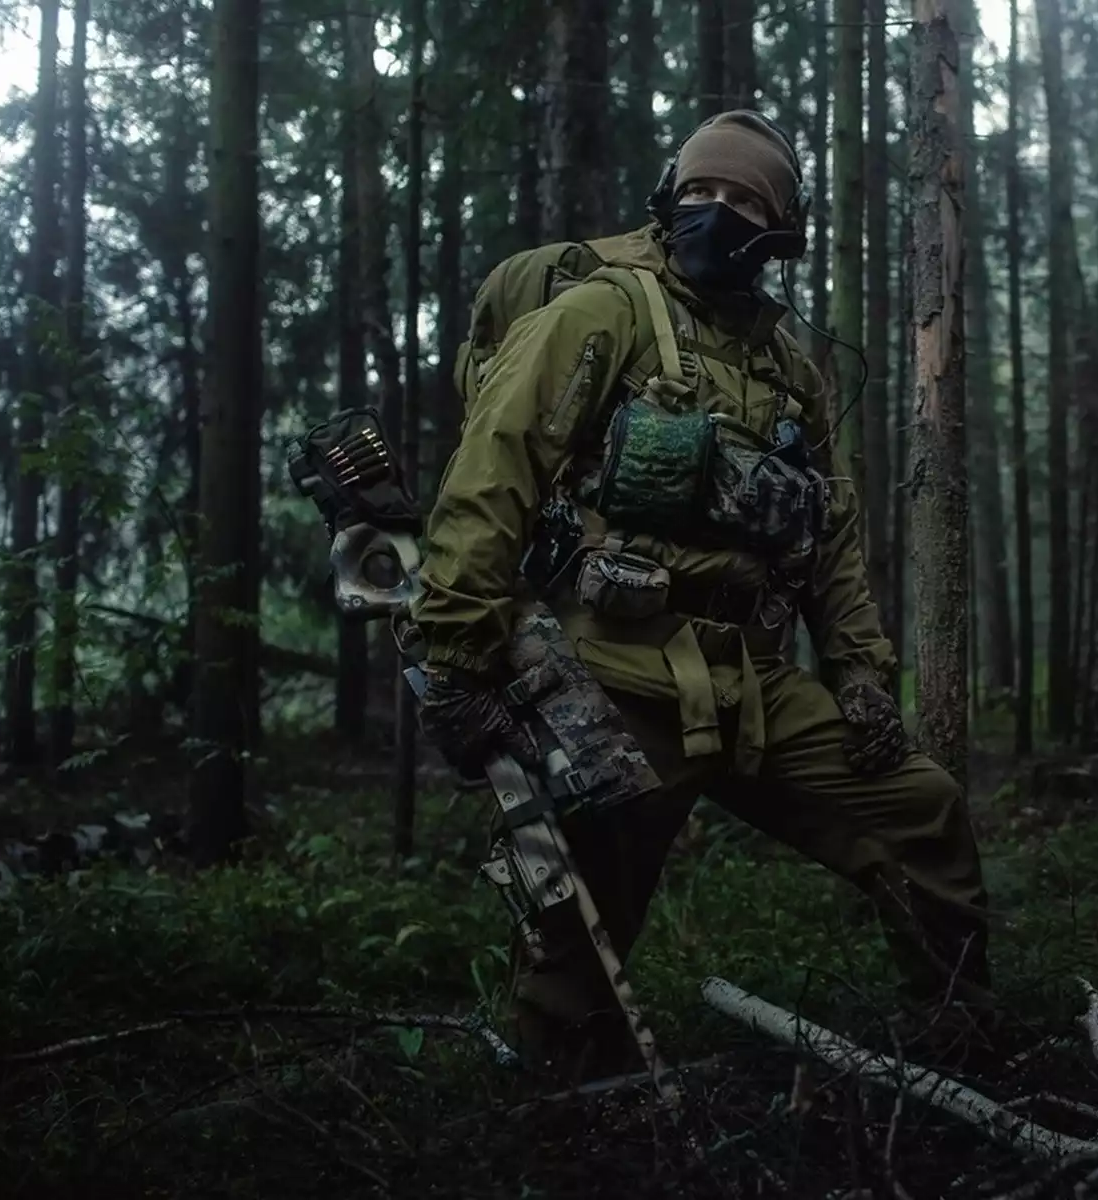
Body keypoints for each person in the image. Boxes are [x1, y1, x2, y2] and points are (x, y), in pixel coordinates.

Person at [408, 110, 996, 1078]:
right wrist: (457, 654)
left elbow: (831, 534)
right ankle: (560, 1112)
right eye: (700, 192)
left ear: (780, 231)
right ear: (666, 198)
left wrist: (857, 669)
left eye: (743, 201)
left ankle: (963, 1044)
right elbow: (492, 472)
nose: (716, 213)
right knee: (580, 927)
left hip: (754, 679)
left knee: (918, 809)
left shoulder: (790, 365)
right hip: (613, 677)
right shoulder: (599, 314)